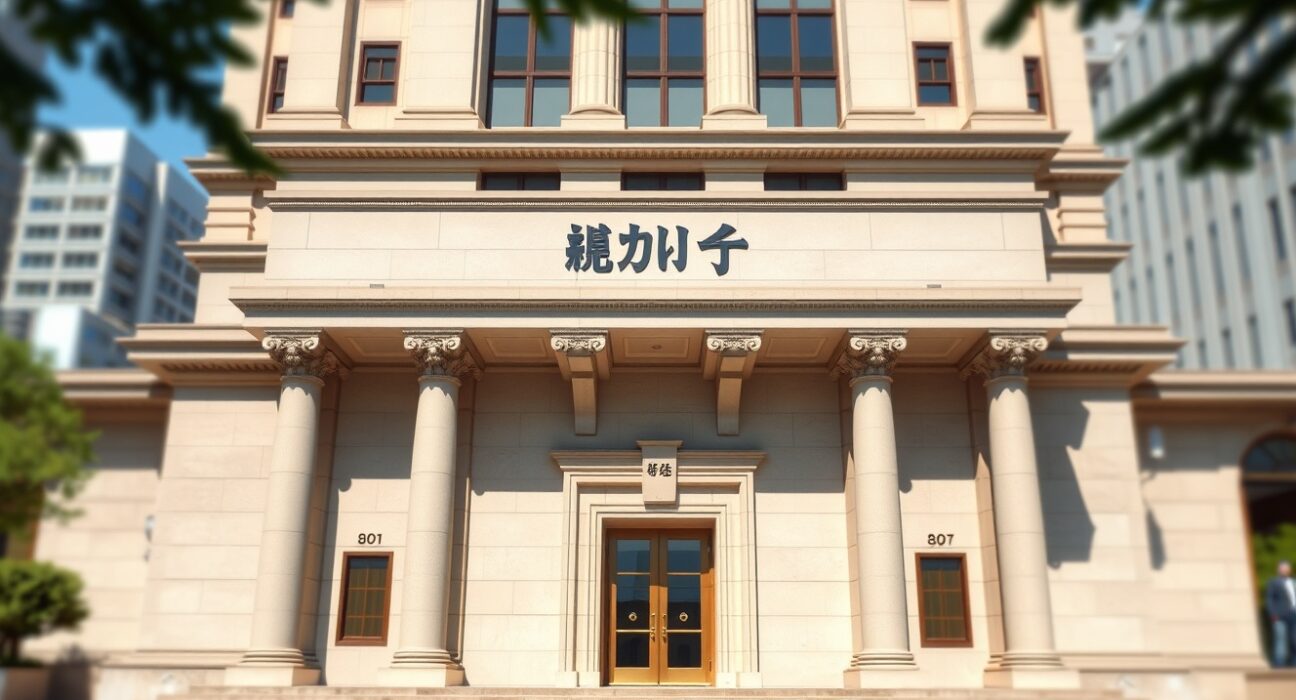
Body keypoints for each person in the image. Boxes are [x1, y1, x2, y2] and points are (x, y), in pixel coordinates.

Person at [1265, 560, 1296, 667]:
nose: (1285, 570)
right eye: (1282, 568)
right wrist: (1273, 614)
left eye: (1287, 568)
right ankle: (1279, 664)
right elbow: (1269, 599)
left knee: (1294, 640)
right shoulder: (1273, 582)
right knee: (1281, 639)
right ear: (1278, 570)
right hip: (1280, 615)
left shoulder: (1293, 582)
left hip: (1294, 615)